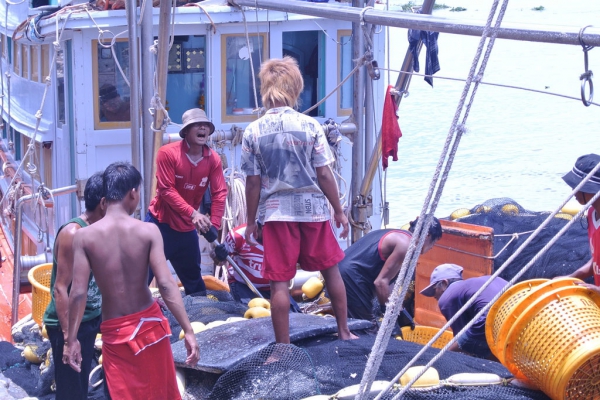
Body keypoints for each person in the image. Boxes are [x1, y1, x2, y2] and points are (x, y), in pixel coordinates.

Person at [242, 56, 357, 343]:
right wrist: (339, 211)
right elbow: (324, 174)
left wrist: (250, 221)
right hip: (314, 211)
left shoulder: (252, 131)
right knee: (330, 271)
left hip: (276, 214)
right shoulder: (310, 126)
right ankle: (344, 331)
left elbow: (252, 183)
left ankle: (283, 346)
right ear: (295, 88)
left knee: (279, 282)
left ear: (265, 88)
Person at [64, 162, 199, 400]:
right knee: (159, 395)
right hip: (150, 327)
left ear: (106, 195)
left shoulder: (83, 237)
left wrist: (71, 339)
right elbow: (166, 284)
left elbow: (78, 293)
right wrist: (188, 330)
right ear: (133, 193)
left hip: (116, 332)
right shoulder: (148, 231)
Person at [146, 108, 227, 295]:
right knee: (140, 281)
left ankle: (198, 314)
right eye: (197, 125)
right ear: (186, 131)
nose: (202, 128)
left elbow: (220, 193)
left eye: (205, 125)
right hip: (159, 225)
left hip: (186, 230)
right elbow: (166, 190)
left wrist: (213, 227)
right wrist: (193, 213)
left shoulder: (213, 159)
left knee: (196, 287)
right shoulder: (167, 153)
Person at [42, 172, 105, 400]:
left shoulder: (98, 230)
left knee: (81, 388)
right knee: (71, 393)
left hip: (90, 319)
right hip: (69, 325)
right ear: (103, 203)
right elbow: (60, 288)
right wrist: (70, 339)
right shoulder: (73, 233)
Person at [338, 217, 442, 325]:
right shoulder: (406, 245)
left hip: (342, 271)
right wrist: (388, 314)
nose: (432, 247)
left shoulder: (401, 236)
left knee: (356, 324)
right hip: (351, 276)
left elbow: (389, 282)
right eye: (434, 242)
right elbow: (381, 282)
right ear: (427, 235)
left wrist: (399, 310)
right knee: (366, 327)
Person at [420, 263, 507, 359]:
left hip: (490, 320)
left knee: (448, 355)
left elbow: (462, 340)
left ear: (444, 283)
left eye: (434, 290)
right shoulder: (485, 281)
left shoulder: (447, 297)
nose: (434, 296)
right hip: (515, 314)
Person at [563, 154, 600, 291]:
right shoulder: (591, 213)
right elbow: (597, 260)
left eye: (578, 187)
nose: (574, 192)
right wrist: (572, 277)